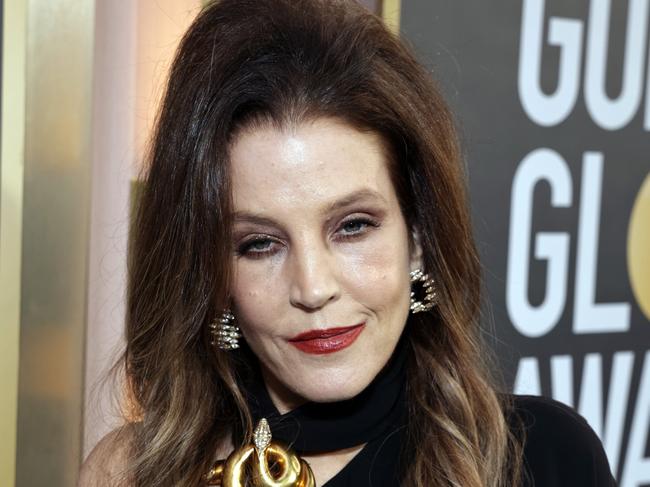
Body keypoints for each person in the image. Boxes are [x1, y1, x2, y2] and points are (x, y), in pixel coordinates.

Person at [79, 0, 617, 485]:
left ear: (419, 236)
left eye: (353, 226)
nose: (313, 288)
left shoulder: (542, 458)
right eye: (260, 244)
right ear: (212, 274)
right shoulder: (130, 472)